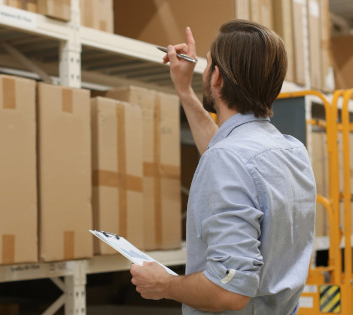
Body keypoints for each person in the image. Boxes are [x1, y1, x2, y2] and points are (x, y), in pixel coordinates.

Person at [130, 20, 316, 314]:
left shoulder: (229, 159)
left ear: (216, 77)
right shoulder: (291, 151)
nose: (203, 71)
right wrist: (184, 90)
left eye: (207, 65)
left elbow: (229, 291)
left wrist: (164, 283)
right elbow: (225, 154)